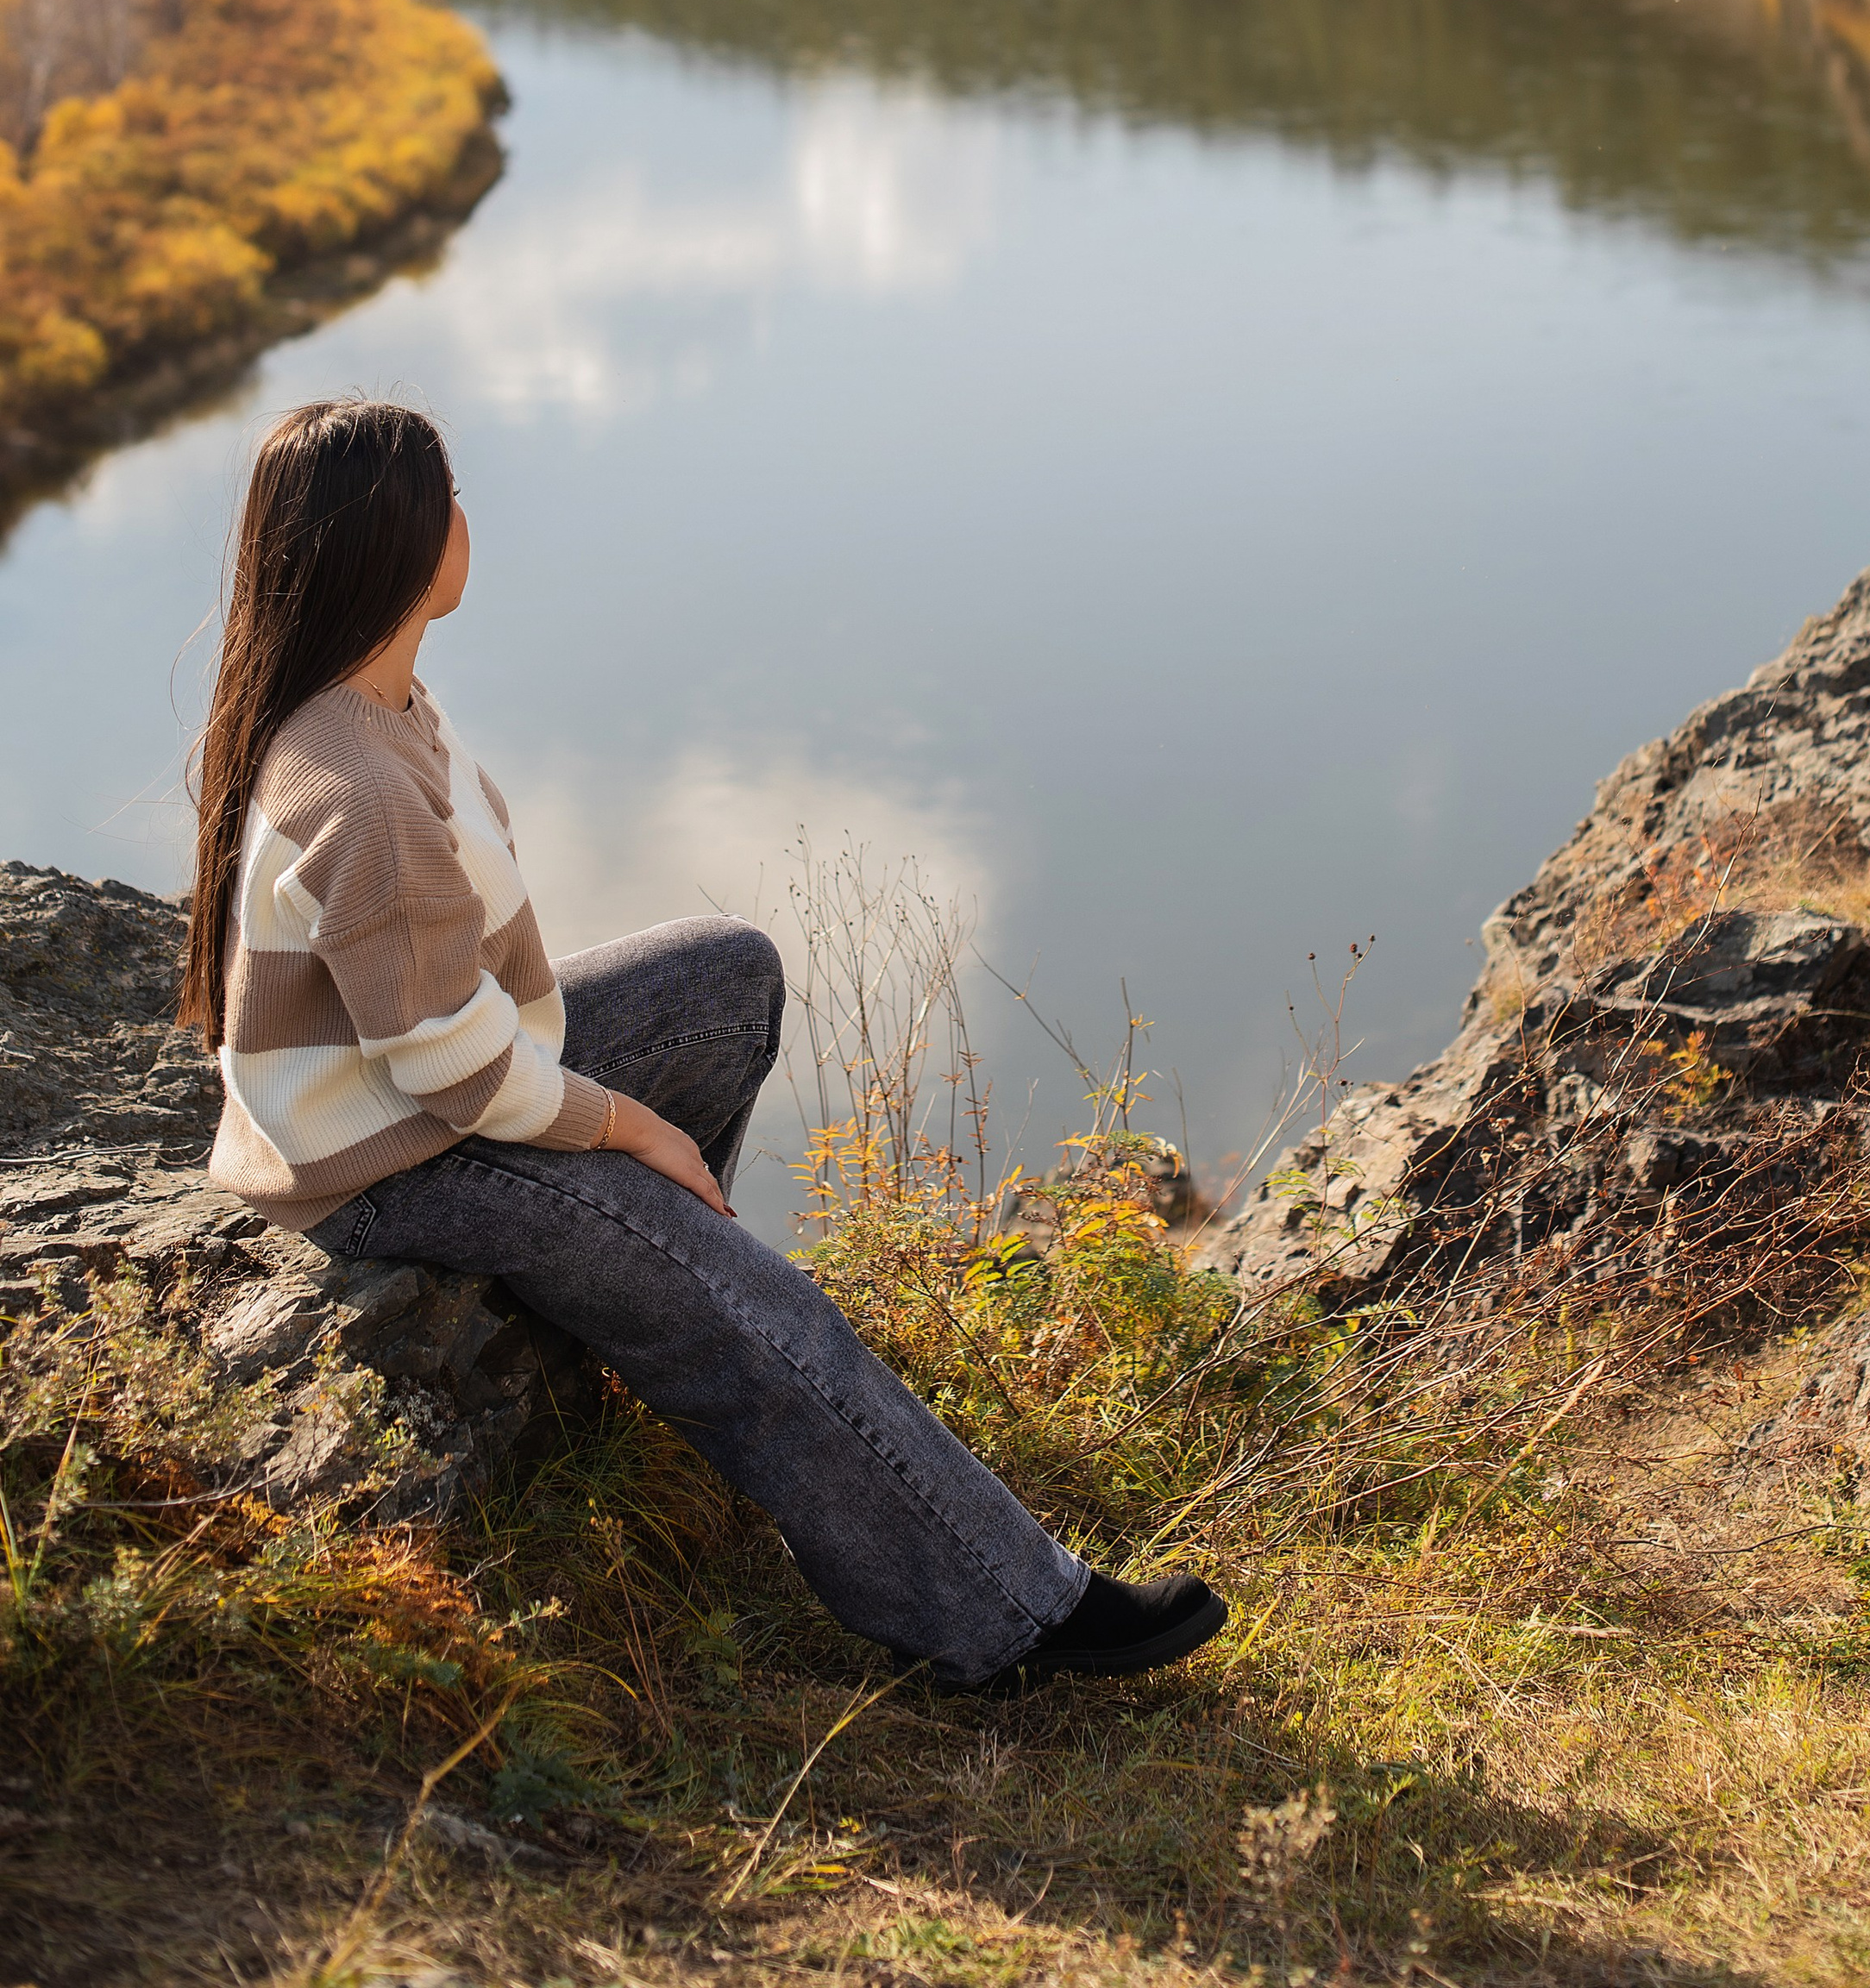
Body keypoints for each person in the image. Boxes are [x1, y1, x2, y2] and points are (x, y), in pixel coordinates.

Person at [185, 395, 1227, 1695]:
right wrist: (629, 1130)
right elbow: (445, 1066)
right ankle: (1012, 1614)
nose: (467, 521)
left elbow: (449, 1012)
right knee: (743, 1294)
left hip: (432, 1086)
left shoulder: (379, 704)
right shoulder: (354, 783)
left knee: (728, 975)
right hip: (391, 1154)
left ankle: (659, 1314)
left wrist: (610, 1133)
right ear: (398, 541)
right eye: (449, 499)